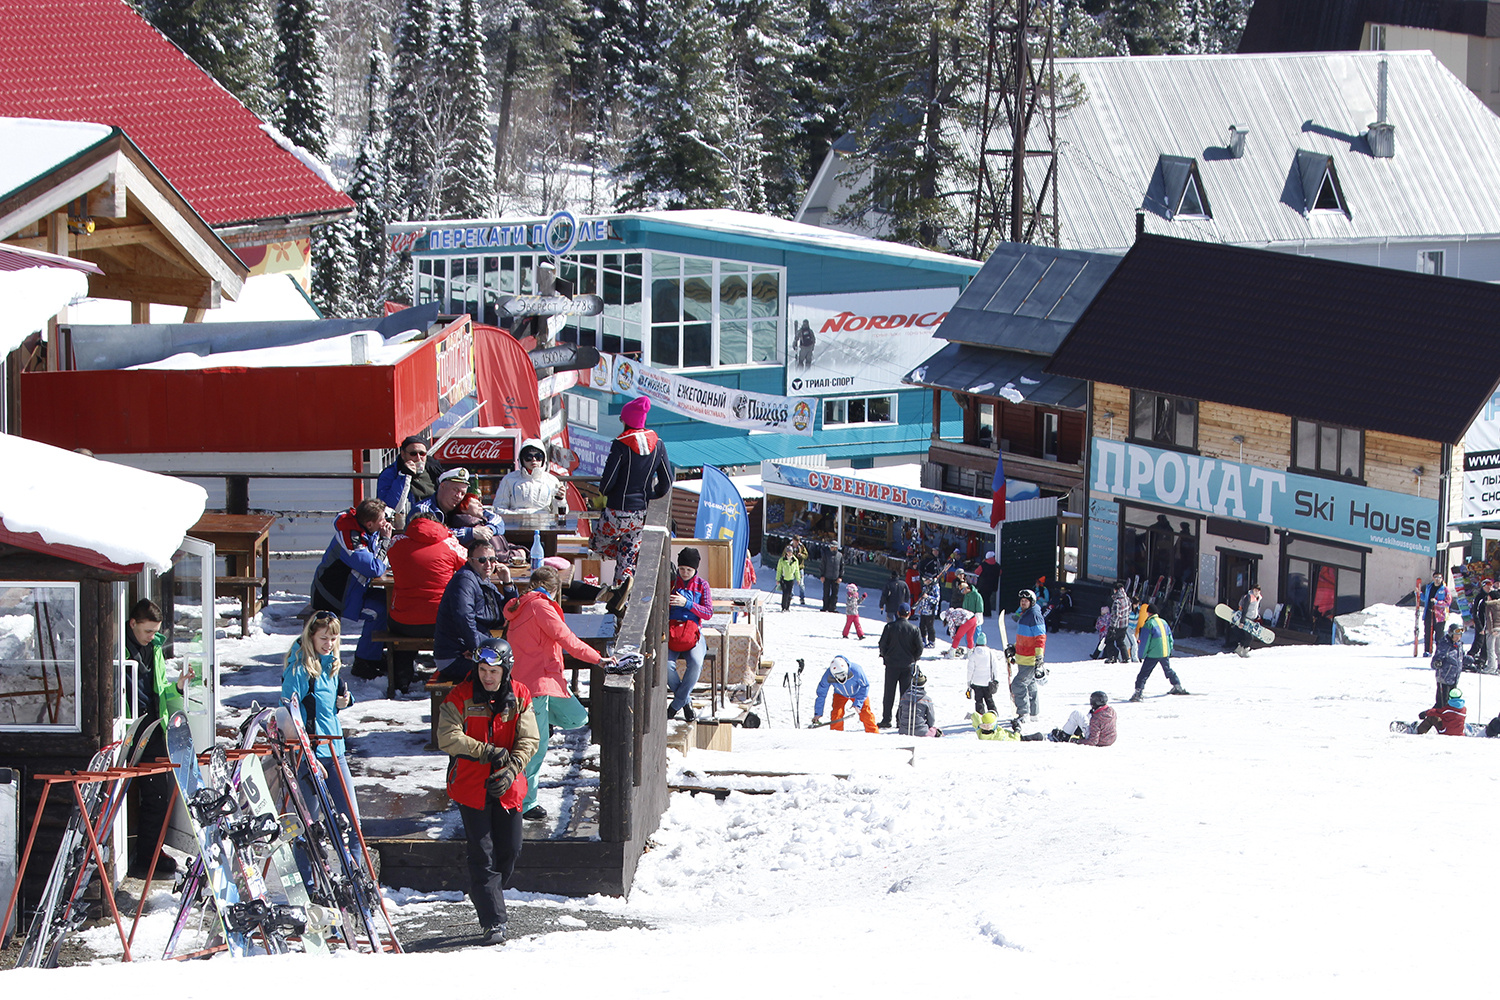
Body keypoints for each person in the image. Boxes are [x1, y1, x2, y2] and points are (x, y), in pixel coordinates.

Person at [436, 641, 539, 945]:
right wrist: (486, 752)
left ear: (505, 670)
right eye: (482, 670)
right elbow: (447, 736)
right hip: (470, 786)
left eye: (493, 671)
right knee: (482, 854)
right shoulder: (460, 695)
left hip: (508, 786)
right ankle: (493, 920)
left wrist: (511, 769)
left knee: (511, 850)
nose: (487, 677)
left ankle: (486, 891)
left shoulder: (519, 694)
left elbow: (529, 738)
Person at [503, 566, 613, 821]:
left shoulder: (519, 607)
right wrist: (599, 659)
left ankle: (531, 725)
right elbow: (568, 640)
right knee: (536, 748)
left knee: (577, 718)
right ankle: (525, 804)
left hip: (533, 682)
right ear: (554, 590)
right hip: (536, 685)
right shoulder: (541, 607)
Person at [124, 599, 191, 878]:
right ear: (133, 624)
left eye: (155, 632)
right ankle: (145, 853)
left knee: (157, 796)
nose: (152, 637)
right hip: (129, 730)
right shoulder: (120, 649)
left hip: (152, 728)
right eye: (147, 631)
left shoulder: (153, 649)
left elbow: (159, 689)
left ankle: (149, 853)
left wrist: (177, 688)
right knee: (135, 796)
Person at [281, 612, 359, 846]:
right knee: (308, 829)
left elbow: (329, 702)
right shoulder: (299, 670)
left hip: (335, 752)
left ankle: (355, 877)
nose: (329, 644)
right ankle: (309, 883)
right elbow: (287, 713)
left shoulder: (330, 665)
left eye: (334, 639)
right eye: (324, 638)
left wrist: (346, 700)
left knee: (352, 822)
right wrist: (305, 755)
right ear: (311, 637)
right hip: (309, 755)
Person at [591, 395, 674, 605]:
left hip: (617, 512)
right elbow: (667, 481)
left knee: (596, 543)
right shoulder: (659, 444)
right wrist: (652, 495)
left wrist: (605, 490)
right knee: (627, 556)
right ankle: (622, 597)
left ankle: (618, 592)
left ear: (626, 420)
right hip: (641, 514)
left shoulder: (621, 445)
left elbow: (608, 481)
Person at [385, 509, 468, 694]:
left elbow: (384, 559)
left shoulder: (397, 543)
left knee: (401, 623)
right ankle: (451, 672)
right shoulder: (449, 542)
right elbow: (468, 564)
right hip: (440, 621)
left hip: (403, 622)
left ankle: (401, 678)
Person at [310, 497, 392, 679]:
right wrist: (385, 541)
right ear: (369, 523)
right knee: (379, 610)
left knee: (391, 602)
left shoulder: (363, 528)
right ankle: (364, 662)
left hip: (353, 589)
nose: (385, 523)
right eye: (382, 520)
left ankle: (375, 653)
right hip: (334, 596)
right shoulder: (350, 537)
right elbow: (373, 568)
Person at [434, 539, 519, 681]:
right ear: (470, 560)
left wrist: (508, 583)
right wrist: (478, 652)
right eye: (482, 560)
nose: (488, 565)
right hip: (454, 657)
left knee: (517, 663)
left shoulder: (482, 580)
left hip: (470, 648)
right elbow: (464, 618)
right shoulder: (465, 581)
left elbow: (510, 611)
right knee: (506, 670)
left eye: (492, 560)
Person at [667, 547, 714, 722]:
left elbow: (708, 612)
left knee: (695, 663)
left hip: (693, 633)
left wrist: (687, 603)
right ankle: (685, 702)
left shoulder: (703, 585)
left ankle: (675, 705)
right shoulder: (671, 583)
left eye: (689, 570)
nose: (685, 573)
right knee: (666, 665)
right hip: (672, 632)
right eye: (682, 569)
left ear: (695, 570)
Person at [412, 467, 507, 545]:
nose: (458, 496)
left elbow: (497, 518)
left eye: (462, 493)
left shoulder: (462, 504)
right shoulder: (423, 509)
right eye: (455, 490)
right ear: (442, 486)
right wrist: (470, 533)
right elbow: (431, 534)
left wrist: (488, 530)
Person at [376, 435, 444, 526]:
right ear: (403, 455)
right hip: (407, 523)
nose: (418, 458)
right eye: (413, 453)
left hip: (434, 520)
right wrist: (404, 476)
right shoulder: (390, 474)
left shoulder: (434, 470)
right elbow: (391, 507)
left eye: (422, 453)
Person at [876, 602, 923, 727]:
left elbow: (882, 644)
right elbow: (919, 648)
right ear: (909, 614)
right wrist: (914, 658)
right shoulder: (914, 629)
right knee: (905, 695)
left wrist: (885, 655)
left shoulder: (890, 627)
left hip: (891, 665)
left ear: (898, 613)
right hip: (907, 665)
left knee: (889, 693)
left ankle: (886, 719)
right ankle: (901, 719)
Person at [1130, 604, 1189, 700]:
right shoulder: (1163, 622)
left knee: (1144, 673)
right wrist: (1169, 650)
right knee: (1168, 670)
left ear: (1148, 613)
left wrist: (1141, 655)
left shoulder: (1149, 624)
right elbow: (1170, 638)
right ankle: (1177, 685)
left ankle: (1138, 692)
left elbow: (1145, 642)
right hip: (1164, 652)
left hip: (1153, 653)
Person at [492, 437, 565, 514]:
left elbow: (560, 514)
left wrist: (559, 500)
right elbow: (498, 508)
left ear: (544, 459)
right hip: (516, 524)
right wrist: (518, 516)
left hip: (544, 524)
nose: (533, 460)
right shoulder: (509, 479)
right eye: (528, 457)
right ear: (521, 459)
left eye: (538, 457)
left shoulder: (552, 481)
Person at [812, 655, 878, 733]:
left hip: (858, 693)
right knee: (836, 714)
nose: (841, 678)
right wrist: (818, 713)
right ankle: (836, 735)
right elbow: (821, 694)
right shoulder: (828, 675)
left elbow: (865, 686)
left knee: (866, 714)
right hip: (840, 694)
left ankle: (873, 734)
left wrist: (858, 703)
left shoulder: (856, 670)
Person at [1025, 691, 1117, 745]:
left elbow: (1093, 741)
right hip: (1110, 740)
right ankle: (1074, 730)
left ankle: (1064, 736)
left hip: (1101, 741)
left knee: (1076, 714)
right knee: (1082, 717)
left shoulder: (1096, 719)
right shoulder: (1111, 711)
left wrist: (1077, 741)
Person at [1010, 589, 1047, 722]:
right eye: (1021, 600)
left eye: (1026, 601)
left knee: (1018, 685)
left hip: (1030, 659)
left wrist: (1039, 658)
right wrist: (1014, 648)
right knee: (1030, 685)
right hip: (1023, 657)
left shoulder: (1034, 615)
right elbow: (1026, 637)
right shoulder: (1025, 614)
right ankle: (1033, 714)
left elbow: (1040, 638)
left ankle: (1023, 714)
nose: (1023, 602)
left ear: (1032, 602)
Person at [966, 630, 1008, 717]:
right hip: (988, 681)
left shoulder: (973, 654)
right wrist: (996, 679)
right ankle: (993, 714)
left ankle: (980, 715)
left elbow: (970, 670)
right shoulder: (990, 653)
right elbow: (995, 667)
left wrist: (969, 682)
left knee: (978, 700)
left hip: (976, 682)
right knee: (989, 699)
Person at [1431, 620, 1465, 709]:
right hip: (1444, 678)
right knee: (1442, 702)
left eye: (1459, 636)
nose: (1458, 638)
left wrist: (1468, 660)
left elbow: (1461, 657)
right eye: (1456, 636)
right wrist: (1437, 663)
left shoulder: (1459, 645)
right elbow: (1436, 659)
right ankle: (1431, 717)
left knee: (1452, 702)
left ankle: (1449, 719)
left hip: (1454, 678)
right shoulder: (1444, 645)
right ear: (1450, 634)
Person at [896, 670, 940, 737]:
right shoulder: (926, 699)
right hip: (921, 730)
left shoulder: (904, 697)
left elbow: (900, 714)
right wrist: (929, 726)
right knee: (936, 731)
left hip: (904, 730)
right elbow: (931, 718)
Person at [1420, 572, 1453, 655]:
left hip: (1440, 615)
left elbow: (1448, 602)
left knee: (1439, 634)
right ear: (1433, 578)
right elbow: (1425, 599)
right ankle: (1427, 650)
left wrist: (1437, 602)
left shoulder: (1444, 589)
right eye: (1436, 577)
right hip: (1429, 612)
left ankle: (1439, 652)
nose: (1437, 579)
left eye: (1439, 577)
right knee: (1427, 633)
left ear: (1442, 579)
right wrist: (1419, 594)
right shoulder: (1429, 587)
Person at [1226, 585, 1262, 657]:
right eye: (1255, 590)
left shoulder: (1259, 598)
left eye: (1258, 591)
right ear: (1252, 590)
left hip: (1252, 619)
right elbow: (1245, 610)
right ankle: (1245, 651)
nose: (1256, 592)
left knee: (1246, 636)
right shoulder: (1249, 597)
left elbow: (1255, 608)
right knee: (1250, 637)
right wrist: (1242, 622)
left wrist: (1257, 615)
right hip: (1246, 619)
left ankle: (1239, 649)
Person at [1105, 582, 1132, 663]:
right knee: (1120, 641)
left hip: (1117, 625)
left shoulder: (1117, 601)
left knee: (1109, 640)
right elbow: (1130, 610)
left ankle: (1112, 657)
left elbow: (1116, 615)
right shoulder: (1127, 599)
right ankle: (1126, 657)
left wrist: (1112, 627)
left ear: (1115, 590)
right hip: (1125, 625)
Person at [915, 575, 940, 648]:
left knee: (930, 626)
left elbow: (936, 599)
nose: (924, 581)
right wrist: (921, 608)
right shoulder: (925, 587)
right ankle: (922, 640)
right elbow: (922, 599)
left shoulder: (935, 587)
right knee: (922, 625)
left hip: (930, 610)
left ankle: (931, 642)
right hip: (924, 610)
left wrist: (928, 597)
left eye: (925, 580)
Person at [776, 544, 802, 612]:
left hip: (791, 579)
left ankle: (787, 607)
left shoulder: (795, 560)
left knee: (789, 594)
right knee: (785, 593)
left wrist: (798, 579)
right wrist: (778, 579)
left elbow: (797, 570)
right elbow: (779, 570)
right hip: (784, 579)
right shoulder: (782, 560)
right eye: (788, 552)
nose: (789, 553)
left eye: (790, 552)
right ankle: (783, 607)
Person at [820, 542, 844, 613]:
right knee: (826, 593)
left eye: (833, 547)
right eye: (831, 547)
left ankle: (832, 607)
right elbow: (822, 565)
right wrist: (822, 575)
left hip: (835, 577)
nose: (832, 548)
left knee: (834, 594)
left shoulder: (840, 555)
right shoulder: (826, 554)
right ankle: (825, 607)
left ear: (836, 548)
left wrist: (840, 577)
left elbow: (842, 567)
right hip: (827, 576)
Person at [977, 551, 1001, 617]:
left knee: (983, 599)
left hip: (983, 585)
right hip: (992, 586)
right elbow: (1000, 573)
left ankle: (985, 613)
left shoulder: (983, 565)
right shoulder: (997, 566)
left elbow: (977, 572)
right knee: (987, 598)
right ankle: (987, 612)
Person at [788, 538, 811, 606]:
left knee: (801, 583)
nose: (796, 543)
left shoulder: (801, 547)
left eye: (798, 541)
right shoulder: (789, 546)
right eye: (795, 541)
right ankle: (791, 596)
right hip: (791, 567)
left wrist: (801, 555)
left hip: (800, 567)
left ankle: (802, 597)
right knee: (791, 581)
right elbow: (784, 555)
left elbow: (806, 555)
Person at [1485, 585, 1500, 673]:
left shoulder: (1489, 605)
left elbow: (1489, 618)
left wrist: (1491, 630)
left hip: (1493, 629)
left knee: (1490, 649)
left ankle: (1491, 667)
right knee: (1499, 649)